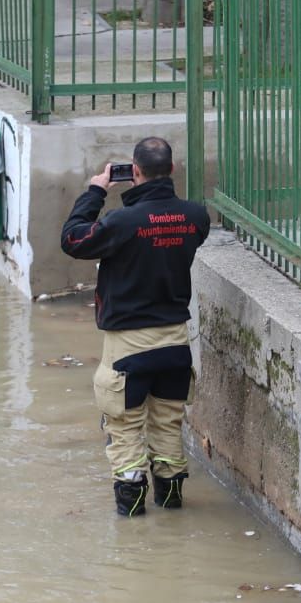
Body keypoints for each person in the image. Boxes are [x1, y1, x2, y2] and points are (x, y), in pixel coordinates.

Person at [60, 137, 211, 517]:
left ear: (134, 171)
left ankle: (132, 523)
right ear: (172, 170)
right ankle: (173, 509)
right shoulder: (196, 216)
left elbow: (74, 239)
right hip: (176, 342)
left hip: (128, 347)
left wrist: (96, 191)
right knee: (167, 426)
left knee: (125, 432)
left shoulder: (122, 223)